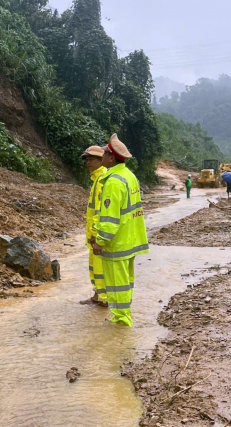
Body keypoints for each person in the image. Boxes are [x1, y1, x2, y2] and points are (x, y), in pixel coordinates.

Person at [89, 134, 149, 327]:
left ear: (111, 158)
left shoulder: (113, 182)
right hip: (129, 240)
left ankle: (122, 321)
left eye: (104, 152)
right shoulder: (129, 176)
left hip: (117, 244)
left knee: (117, 283)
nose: (102, 155)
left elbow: (109, 218)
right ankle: (123, 315)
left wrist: (100, 241)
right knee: (125, 282)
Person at [81, 145, 107, 306]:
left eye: (91, 159)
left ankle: (105, 299)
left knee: (100, 267)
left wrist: (95, 233)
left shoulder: (102, 179)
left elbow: (101, 210)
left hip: (97, 234)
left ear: (101, 160)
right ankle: (98, 295)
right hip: (94, 234)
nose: (87, 162)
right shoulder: (97, 178)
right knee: (95, 267)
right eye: (86, 160)